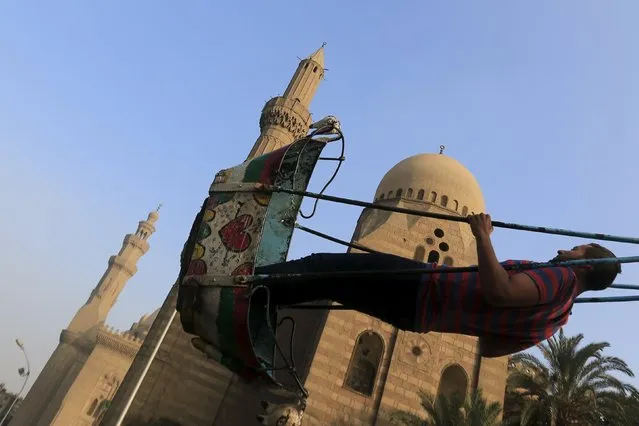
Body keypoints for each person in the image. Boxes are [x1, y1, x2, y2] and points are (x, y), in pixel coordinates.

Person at [255, 213, 621, 357]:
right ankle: (262, 296)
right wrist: (474, 315)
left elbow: (501, 293)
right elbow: (490, 349)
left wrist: (482, 236)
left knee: (324, 266)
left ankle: (251, 284)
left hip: (422, 287)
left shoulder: (560, 276)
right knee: (333, 285)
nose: (562, 249)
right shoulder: (555, 322)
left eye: (575, 248)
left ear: (587, 265)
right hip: (420, 315)